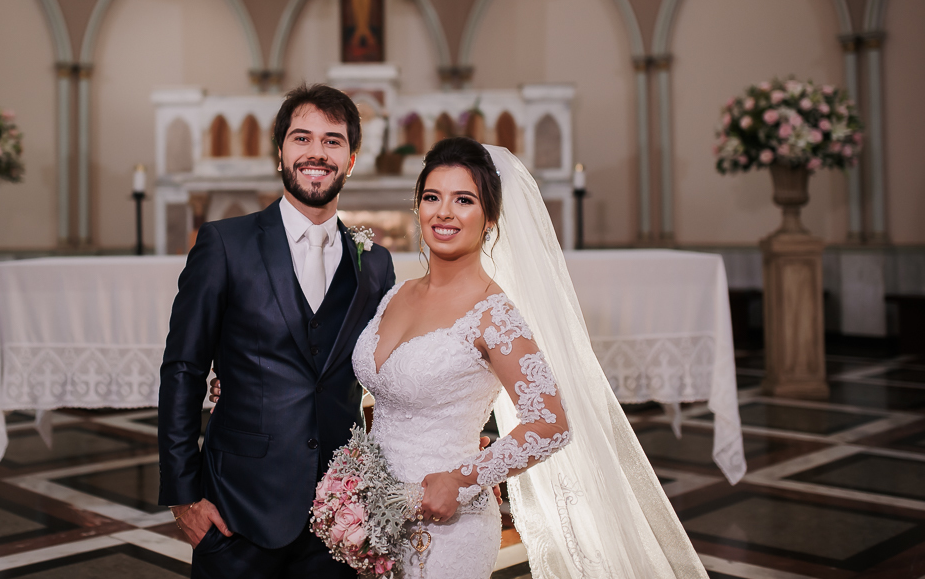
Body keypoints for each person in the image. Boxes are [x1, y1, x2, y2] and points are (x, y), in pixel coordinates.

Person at [353, 137, 709, 579]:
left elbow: (550, 423)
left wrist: (463, 478)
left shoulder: (494, 315)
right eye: (432, 197)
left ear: (491, 218)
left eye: (464, 200)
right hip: (369, 512)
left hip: (443, 525)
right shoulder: (397, 293)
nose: (443, 212)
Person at [157, 83, 397, 579]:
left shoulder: (375, 264)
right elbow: (183, 368)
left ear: (351, 160)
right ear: (280, 153)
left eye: (332, 141)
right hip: (237, 509)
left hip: (341, 516)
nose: (316, 152)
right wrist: (183, 496)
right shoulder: (226, 244)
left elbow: (388, 373)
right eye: (301, 137)